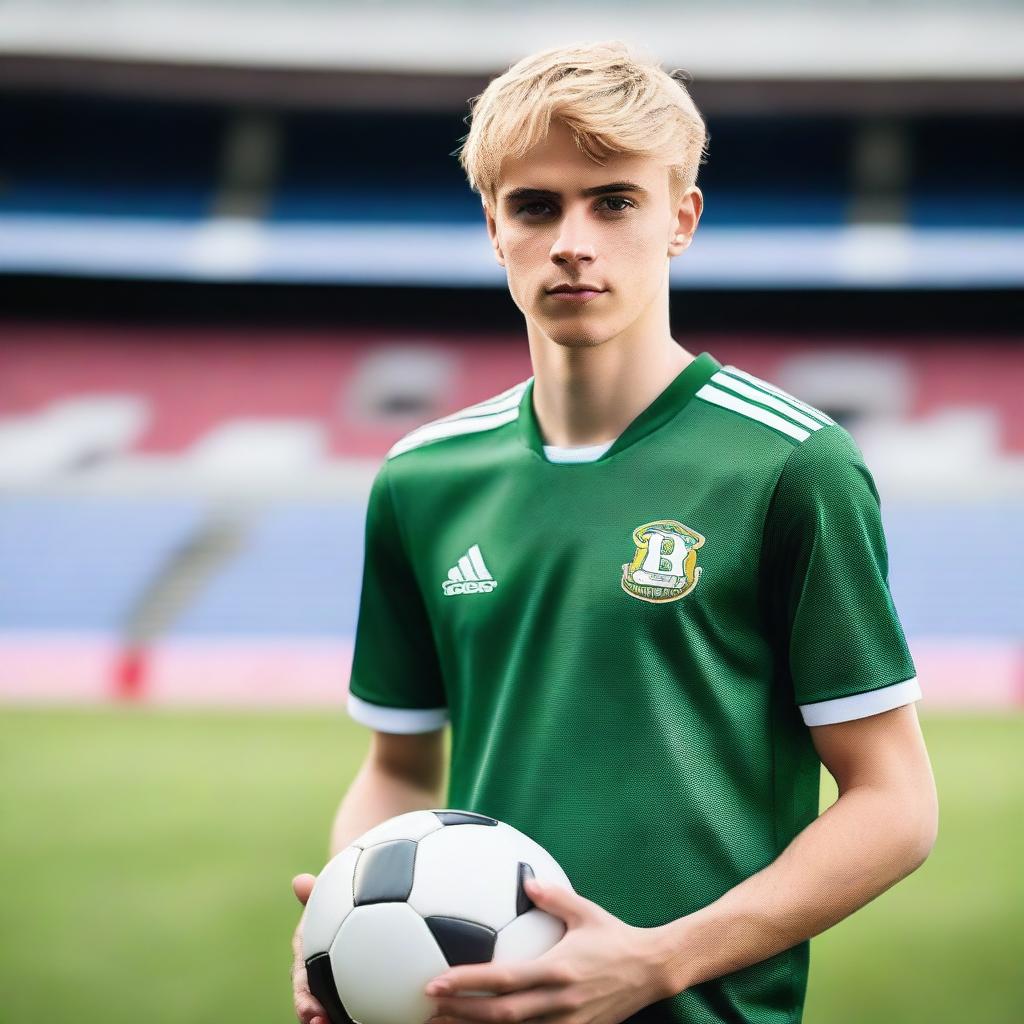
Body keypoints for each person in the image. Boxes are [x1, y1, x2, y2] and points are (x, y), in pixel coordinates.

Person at [291, 39, 938, 1024]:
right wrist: (339, 930)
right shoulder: (422, 479)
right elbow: (396, 767)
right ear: (492, 227)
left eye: (615, 200)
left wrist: (657, 961)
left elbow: (894, 804)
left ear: (679, 217)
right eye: (535, 205)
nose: (572, 240)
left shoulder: (790, 465)